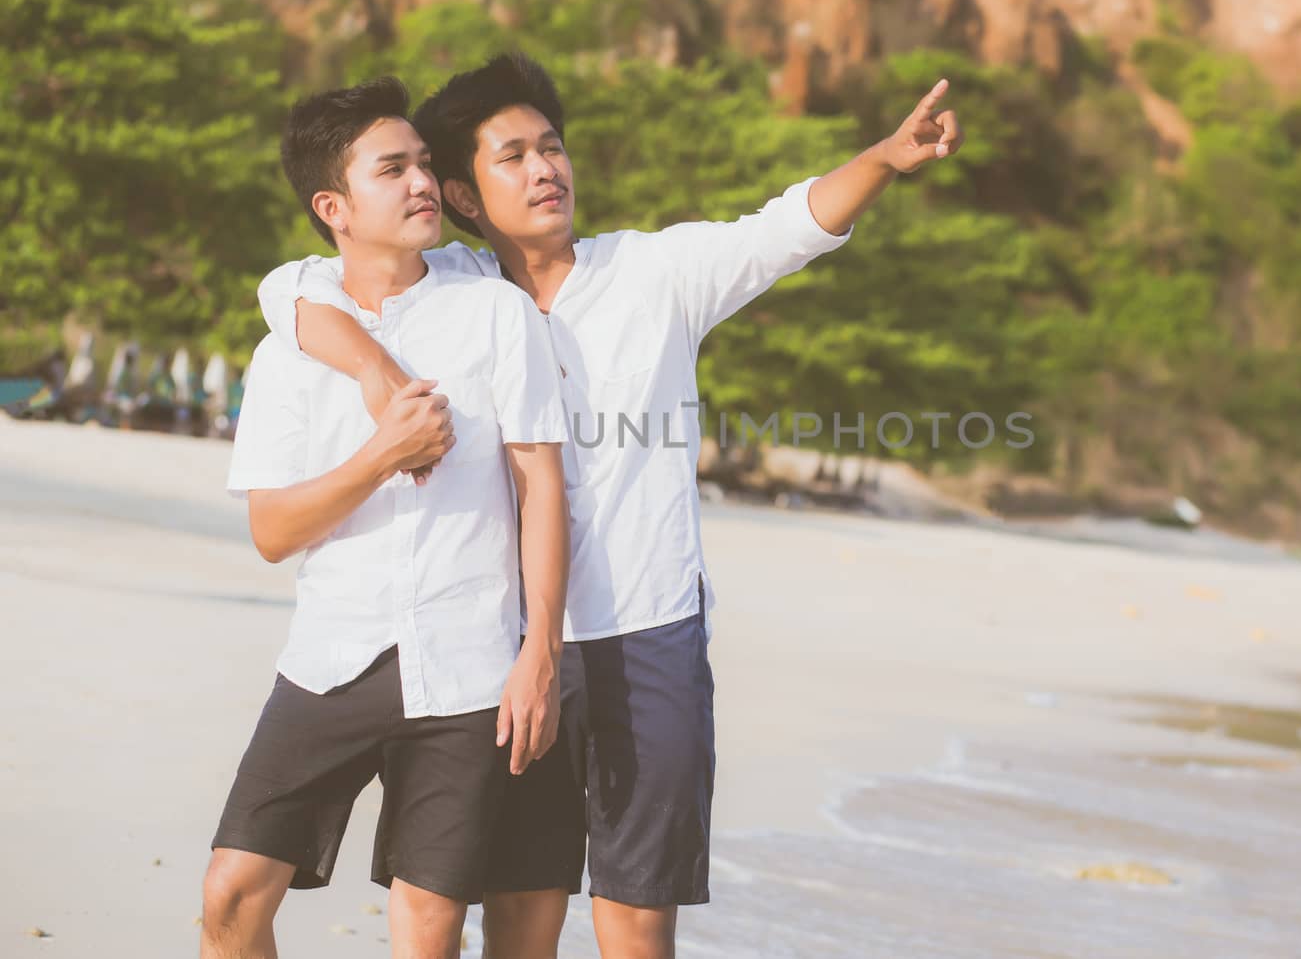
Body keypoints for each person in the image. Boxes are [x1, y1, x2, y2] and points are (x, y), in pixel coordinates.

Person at [256, 53, 964, 958]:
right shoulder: (457, 291)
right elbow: (291, 289)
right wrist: (372, 366)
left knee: (635, 922)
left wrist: (884, 158)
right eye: (511, 156)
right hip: (506, 646)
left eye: (551, 147)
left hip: (647, 636)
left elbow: (787, 226)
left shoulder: (653, 273)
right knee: (520, 913)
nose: (545, 169)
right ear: (466, 196)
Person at [202, 76, 570, 959]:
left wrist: (540, 654)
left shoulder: (493, 312)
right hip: (334, 657)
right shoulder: (289, 349)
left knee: (430, 923)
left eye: (423, 164)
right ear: (334, 205)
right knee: (231, 893)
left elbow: (541, 487)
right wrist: (380, 453)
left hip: (469, 662)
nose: (420, 184)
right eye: (392, 168)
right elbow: (271, 533)